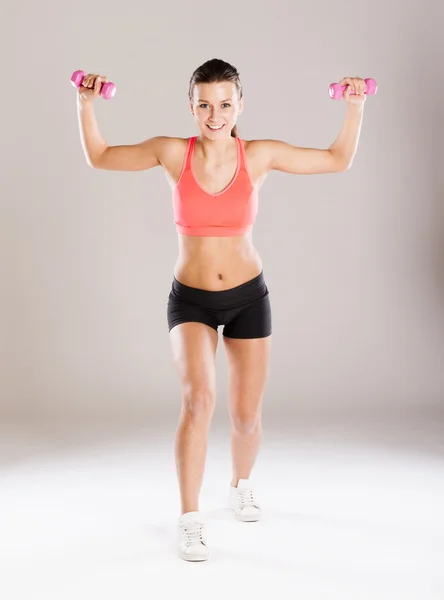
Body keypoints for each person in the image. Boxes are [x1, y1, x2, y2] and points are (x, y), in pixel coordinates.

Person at [76, 58, 366, 561]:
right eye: (205, 104)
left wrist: (355, 106)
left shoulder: (258, 155)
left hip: (248, 296)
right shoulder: (172, 153)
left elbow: (337, 159)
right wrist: (85, 103)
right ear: (191, 106)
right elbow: (100, 156)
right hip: (190, 298)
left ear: (240, 105)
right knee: (198, 400)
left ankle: (241, 484)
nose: (216, 114)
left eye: (226, 104)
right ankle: (190, 517)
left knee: (246, 417)